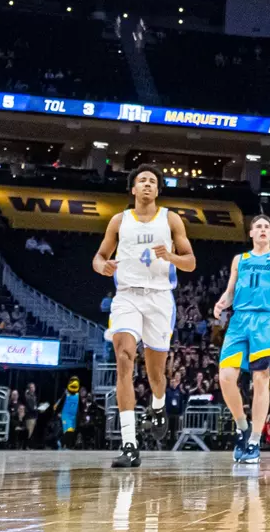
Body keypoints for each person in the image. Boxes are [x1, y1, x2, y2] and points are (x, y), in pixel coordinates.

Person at [93, 165, 196, 468]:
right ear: (134, 190)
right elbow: (99, 257)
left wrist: (171, 256)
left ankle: (158, 406)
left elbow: (190, 262)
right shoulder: (118, 220)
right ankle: (129, 444)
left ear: (157, 190)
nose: (148, 185)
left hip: (160, 298)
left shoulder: (171, 219)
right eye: (142, 181)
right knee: (124, 357)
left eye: (153, 181)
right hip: (126, 296)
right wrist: (103, 267)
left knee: (156, 375)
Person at [214, 213, 270, 464]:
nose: (262, 229)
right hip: (239, 321)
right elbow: (230, 291)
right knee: (226, 377)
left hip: (265, 321)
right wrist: (222, 303)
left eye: (266, 227)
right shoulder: (239, 260)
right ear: (250, 233)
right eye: (258, 226)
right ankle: (242, 427)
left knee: (261, 380)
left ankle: (253, 442)